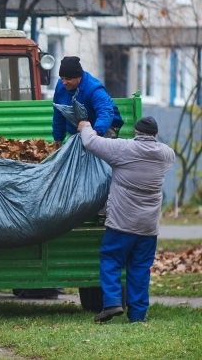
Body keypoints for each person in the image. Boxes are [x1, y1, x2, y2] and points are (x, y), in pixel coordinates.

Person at [79, 116, 175, 323]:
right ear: (155, 135)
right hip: (148, 226)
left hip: (122, 222)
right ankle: (138, 316)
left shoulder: (123, 148)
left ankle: (113, 302)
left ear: (136, 133)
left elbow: (91, 143)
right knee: (140, 268)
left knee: (111, 260)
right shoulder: (166, 154)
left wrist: (86, 127)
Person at [53, 56, 123, 145]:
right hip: (78, 126)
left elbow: (106, 112)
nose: (64, 82)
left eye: (68, 79)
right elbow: (59, 113)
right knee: (73, 153)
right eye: (62, 78)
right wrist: (58, 139)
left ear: (79, 77)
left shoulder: (94, 89)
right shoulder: (61, 87)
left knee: (98, 152)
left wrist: (95, 134)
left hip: (105, 126)